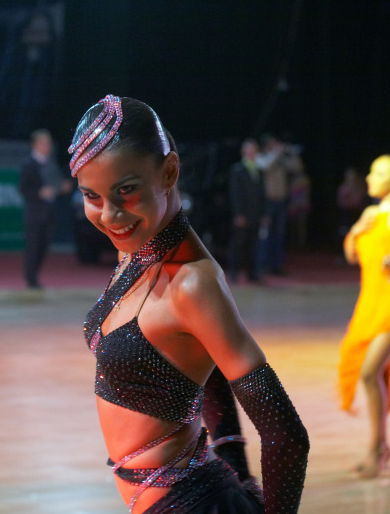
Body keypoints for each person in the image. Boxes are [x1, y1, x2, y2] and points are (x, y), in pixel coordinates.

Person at [70, 95, 308, 513]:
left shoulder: (193, 283)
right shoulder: (136, 251)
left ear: (169, 172)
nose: (110, 216)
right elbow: (210, 365)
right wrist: (237, 468)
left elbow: (286, 436)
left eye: (126, 191)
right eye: (93, 196)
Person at [338, 154, 390, 478]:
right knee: (376, 377)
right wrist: (356, 230)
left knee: (370, 373)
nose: (370, 177)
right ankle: (380, 447)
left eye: (379, 173)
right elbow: (350, 254)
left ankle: (377, 450)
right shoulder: (370, 214)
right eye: (371, 171)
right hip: (369, 303)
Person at [18, 129, 70, 288]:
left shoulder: (51, 163)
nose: (47, 146)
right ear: (35, 145)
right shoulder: (28, 164)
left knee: (44, 245)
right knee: (33, 246)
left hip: (49, 211)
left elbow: (57, 184)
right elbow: (23, 189)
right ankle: (31, 278)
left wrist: (62, 187)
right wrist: (39, 193)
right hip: (34, 212)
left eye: (48, 143)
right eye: (43, 143)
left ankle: (34, 276)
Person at [256, 135, 301, 275]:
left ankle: (276, 265)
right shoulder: (261, 158)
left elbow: (297, 167)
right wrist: (276, 153)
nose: (275, 146)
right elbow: (265, 167)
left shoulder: (279, 160)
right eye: (272, 144)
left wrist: (291, 153)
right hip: (267, 203)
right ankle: (261, 266)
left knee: (279, 234)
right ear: (266, 146)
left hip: (281, 201)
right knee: (265, 235)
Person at [228, 138, 268, 283]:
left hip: (256, 213)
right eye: (249, 150)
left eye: (253, 150)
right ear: (243, 152)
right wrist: (239, 214)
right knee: (238, 244)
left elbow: (262, 193)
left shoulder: (259, 170)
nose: (251, 153)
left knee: (253, 245)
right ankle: (234, 272)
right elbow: (235, 194)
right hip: (243, 214)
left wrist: (264, 213)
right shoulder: (238, 170)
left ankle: (252, 273)